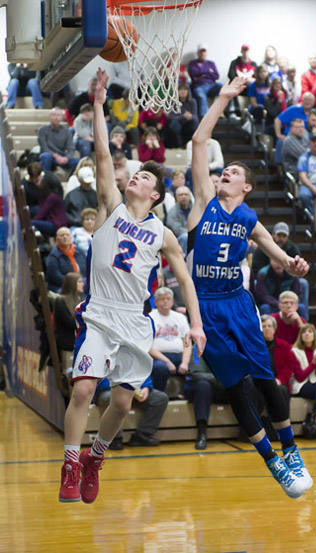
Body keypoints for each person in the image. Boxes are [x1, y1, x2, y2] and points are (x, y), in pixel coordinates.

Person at [58, 68, 206, 504]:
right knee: (84, 388)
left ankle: (95, 459)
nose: (135, 177)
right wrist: (99, 104)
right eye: (135, 173)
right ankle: (70, 463)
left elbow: (185, 280)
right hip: (100, 312)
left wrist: (194, 324)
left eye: (143, 177)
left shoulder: (164, 234)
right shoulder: (111, 208)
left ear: (156, 194)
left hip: (135, 321)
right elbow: (103, 155)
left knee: (122, 405)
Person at [189, 76, 312, 498]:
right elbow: (199, 142)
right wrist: (224, 96)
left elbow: (278, 256)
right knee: (236, 386)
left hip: (238, 305)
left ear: (246, 188)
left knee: (265, 381)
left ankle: (292, 449)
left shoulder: (248, 220)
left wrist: (293, 264)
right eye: (226, 170)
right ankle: (272, 461)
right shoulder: (206, 199)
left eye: (234, 172)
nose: (226, 173)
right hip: (206, 307)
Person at [94, 376, 169, 448]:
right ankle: (114, 439)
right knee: (110, 399)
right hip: (109, 389)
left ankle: (142, 435)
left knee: (160, 398)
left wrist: (146, 386)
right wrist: (124, 387)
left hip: (133, 389)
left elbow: (144, 370)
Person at [183, 351, 230, 450]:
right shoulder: (198, 347)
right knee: (203, 386)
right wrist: (219, 379)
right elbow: (196, 374)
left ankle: (247, 432)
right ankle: (202, 434)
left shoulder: (228, 347)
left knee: (245, 383)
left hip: (221, 387)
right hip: (199, 387)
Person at [149, 287, 192, 392]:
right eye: (162, 299)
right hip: (158, 357)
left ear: (173, 301)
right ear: (155, 302)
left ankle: (185, 394)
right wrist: (166, 361)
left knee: (196, 368)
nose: (165, 301)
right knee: (161, 368)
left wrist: (185, 362)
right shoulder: (149, 318)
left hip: (179, 356)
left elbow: (187, 342)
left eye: (168, 298)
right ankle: (159, 395)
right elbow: (147, 346)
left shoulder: (181, 317)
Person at [261, 315, 293, 412]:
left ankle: (284, 424)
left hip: (279, 382)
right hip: (261, 381)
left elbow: (289, 366)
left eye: (269, 326)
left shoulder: (284, 346)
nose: (267, 329)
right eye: (264, 326)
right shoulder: (255, 347)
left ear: (274, 329)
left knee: (281, 390)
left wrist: (279, 380)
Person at [38, 108, 79, 174]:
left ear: (62, 117)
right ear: (50, 116)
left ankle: (70, 180)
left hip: (62, 157)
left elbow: (71, 148)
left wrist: (66, 158)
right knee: (45, 156)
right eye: (54, 115)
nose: (56, 117)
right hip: (49, 155)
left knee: (78, 162)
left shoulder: (66, 131)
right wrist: (56, 156)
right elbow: (44, 147)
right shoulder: (42, 130)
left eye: (59, 115)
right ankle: (45, 180)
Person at [46, 226, 86, 293]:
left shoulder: (79, 251)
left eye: (67, 235)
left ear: (71, 237)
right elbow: (56, 277)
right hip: (63, 286)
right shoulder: (53, 256)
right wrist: (74, 284)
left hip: (82, 282)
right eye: (62, 235)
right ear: (57, 239)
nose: (65, 237)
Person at [188, 44, 223, 118]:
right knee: (199, 94)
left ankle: (230, 112)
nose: (203, 53)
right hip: (199, 86)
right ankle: (205, 117)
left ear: (206, 53)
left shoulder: (211, 63)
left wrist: (201, 75)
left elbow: (216, 76)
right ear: (198, 52)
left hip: (212, 86)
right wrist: (208, 71)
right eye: (201, 51)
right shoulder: (192, 63)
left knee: (223, 85)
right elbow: (193, 74)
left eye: (204, 51)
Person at [54, 272, 85, 353]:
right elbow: (71, 323)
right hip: (68, 340)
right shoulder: (61, 301)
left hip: (80, 338)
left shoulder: (81, 299)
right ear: (72, 284)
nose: (83, 284)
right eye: (79, 282)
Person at [31, 172, 68, 237]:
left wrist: (31, 223)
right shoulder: (46, 195)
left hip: (57, 225)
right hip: (53, 222)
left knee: (31, 223)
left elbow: (42, 212)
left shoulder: (52, 197)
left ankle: (37, 233)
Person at [165, 84, 198, 148]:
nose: (183, 92)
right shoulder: (173, 101)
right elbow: (171, 116)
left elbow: (195, 116)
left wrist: (190, 116)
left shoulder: (192, 101)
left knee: (194, 123)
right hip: (177, 123)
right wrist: (183, 116)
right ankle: (179, 145)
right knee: (174, 124)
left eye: (185, 90)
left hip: (188, 123)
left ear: (188, 92)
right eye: (180, 90)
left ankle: (193, 144)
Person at [166, 186, 193, 253]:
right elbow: (177, 230)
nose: (183, 196)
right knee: (185, 237)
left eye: (186, 194)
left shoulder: (195, 209)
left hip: (193, 236)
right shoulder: (172, 212)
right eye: (181, 195)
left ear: (190, 196)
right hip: (178, 239)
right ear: (176, 197)